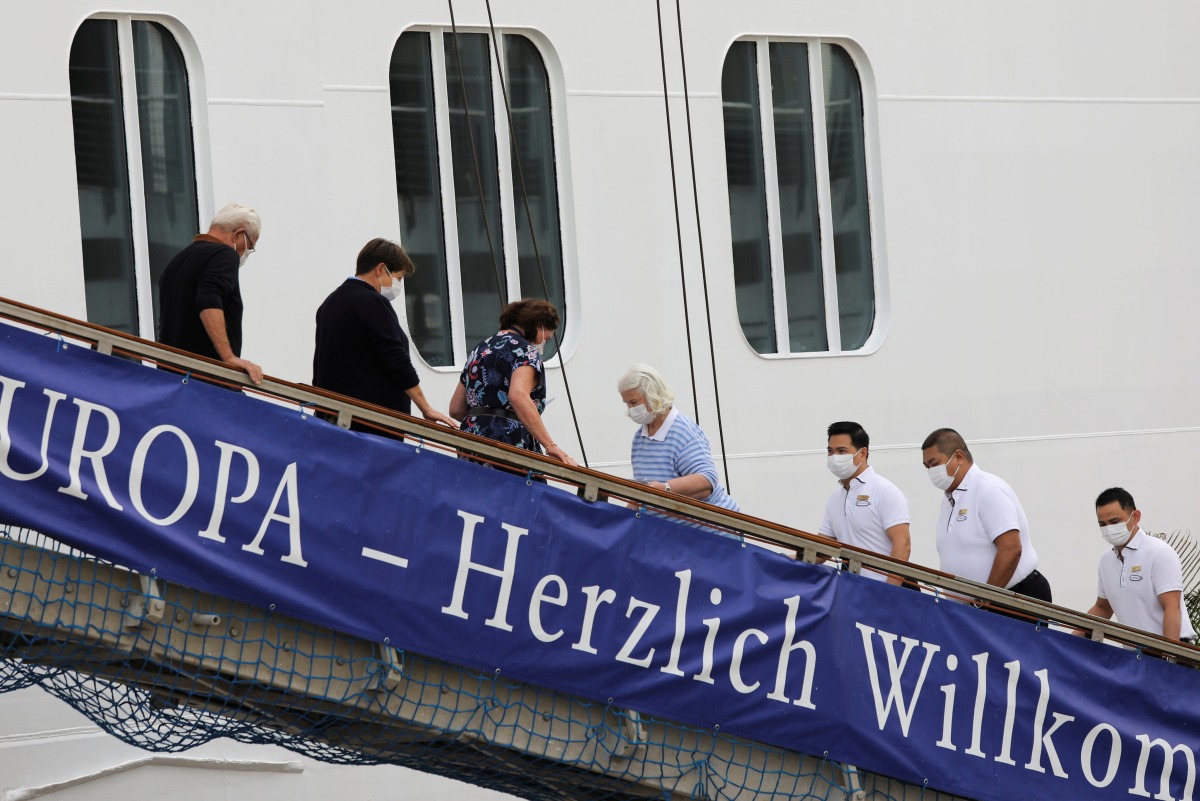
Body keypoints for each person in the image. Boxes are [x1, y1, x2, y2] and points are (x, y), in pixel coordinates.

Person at [312, 238, 457, 430]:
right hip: (371, 422)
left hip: (333, 417)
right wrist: (425, 407)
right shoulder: (372, 302)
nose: (398, 285)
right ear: (380, 269)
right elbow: (396, 359)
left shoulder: (330, 303)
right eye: (398, 278)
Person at [920, 428, 1052, 602]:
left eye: (934, 463)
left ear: (959, 457)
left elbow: (1011, 549)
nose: (931, 471)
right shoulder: (949, 499)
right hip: (975, 609)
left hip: (1011, 601)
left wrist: (984, 602)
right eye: (927, 467)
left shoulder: (988, 489)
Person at [449, 299, 577, 466]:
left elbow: (456, 409)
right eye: (547, 336)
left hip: (470, 440)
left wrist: (481, 419)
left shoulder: (480, 349)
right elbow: (518, 396)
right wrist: (550, 445)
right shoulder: (525, 351)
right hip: (507, 440)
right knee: (522, 490)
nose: (545, 341)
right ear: (539, 325)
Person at [158, 203, 264, 384]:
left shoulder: (176, 261)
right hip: (207, 381)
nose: (246, 253)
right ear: (238, 235)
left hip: (172, 379)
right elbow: (208, 298)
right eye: (249, 246)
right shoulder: (224, 255)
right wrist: (229, 358)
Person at [616, 364, 738, 513]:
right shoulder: (640, 438)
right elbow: (642, 495)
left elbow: (707, 480)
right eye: (627, 403)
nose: (630, 409)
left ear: (653, 395)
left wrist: (665, 488)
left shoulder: (681, 431)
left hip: (712, 528)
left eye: (634, 402)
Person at [1086, 487, 1195, 643]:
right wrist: (1067, 641)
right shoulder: (1106, 561)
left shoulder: (1159, 552)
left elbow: (1172, 607)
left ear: (1136, 516)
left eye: (1114, 522)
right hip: (1134, 655)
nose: (1109, 529)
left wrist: (1169, 657)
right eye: (1102, 524)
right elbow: (1103, 608)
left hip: (1170, 650)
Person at [819, 421, 911, 585]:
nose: (834, 457)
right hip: (853, 592)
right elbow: (821, 550)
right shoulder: (835, 499)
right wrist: (781, 561)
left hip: (884, 593)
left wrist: (888, 594)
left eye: (842, 451)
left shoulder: (885, 491)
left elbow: (902, 546)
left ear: (862, 454)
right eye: (830, 451)